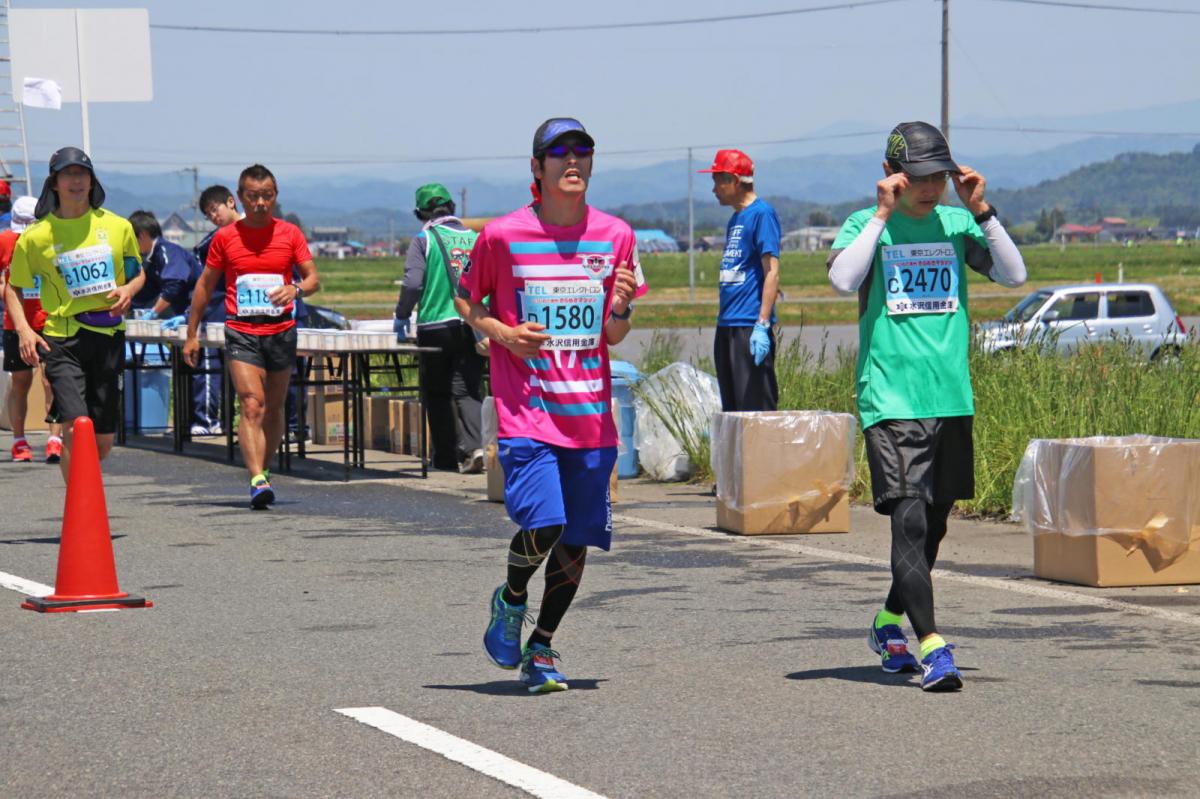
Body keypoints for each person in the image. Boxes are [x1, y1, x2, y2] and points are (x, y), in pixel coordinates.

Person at [827, 121, 1027, 691]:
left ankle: (888, 623)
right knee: (909, 521)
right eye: (919, 176)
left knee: (934, 525)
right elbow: (843, 280)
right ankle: (934, 647)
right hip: (889, 399)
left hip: (949, 396)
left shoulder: (956, 221)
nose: (930, 186)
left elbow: (1015, 274)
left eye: (939, 174)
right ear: (894, 175)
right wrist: (883, 216)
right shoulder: (866, 226)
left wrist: (982, 210)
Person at [455, 117, 647, 692]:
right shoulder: (502, 236)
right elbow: (468, 301)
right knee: (546, 521)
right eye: (558, 151)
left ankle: (541, 648)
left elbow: (612, 337)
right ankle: (511, 600)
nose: (573, 160)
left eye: (583, 150)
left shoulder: (617, 236)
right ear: (536, 168)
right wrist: (503, 335)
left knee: (576, 538)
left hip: (589, 417)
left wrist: (620, 307)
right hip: (527, 411)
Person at [182, 164, 319, 510]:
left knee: (273, 409)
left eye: (267, 196)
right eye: (253, 196)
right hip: (241, 331)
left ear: (275, 196)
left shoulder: (289, 234)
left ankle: (264, 467)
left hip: (281, 331)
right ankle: (256, 477)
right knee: (251, 404)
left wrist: (295, 289)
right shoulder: (226, 238)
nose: (260, 203)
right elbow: (205, 285)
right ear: (240, 197)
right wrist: (191, 334)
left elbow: (314, 278)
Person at [6, 147, 144, 480]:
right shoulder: (36, 236)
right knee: (76, 425)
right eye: (68, 174)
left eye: (82, 174)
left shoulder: (118, 226)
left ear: (92, 181)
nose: (76, 180)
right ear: (54, 183)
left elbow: (137, 272)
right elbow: (14, 287)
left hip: (108, 335)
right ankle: (79, 510)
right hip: (62, 337)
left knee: (103, 439)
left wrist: (128, 290)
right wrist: (24, 330)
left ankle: (86, 494)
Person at [393, 182, 485, 473]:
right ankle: (475, 448)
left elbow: (412, 283)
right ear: (452, 208)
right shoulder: (475, 238)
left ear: (420, 212)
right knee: (468, 389)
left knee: (437, 392)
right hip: (472, 323)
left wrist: (402, 313)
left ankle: (445, 457)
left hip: (435, 326)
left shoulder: (424, 239)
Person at [700, 149, 782, 411]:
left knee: (755, 410)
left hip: (748, 326)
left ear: (734, 180)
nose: (714, 189)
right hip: (727, 324)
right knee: (733, 410)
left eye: (717, 180)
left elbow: (771, 271)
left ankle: (764, 454)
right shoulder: (736, 218)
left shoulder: (762, 214)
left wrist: (762, 324)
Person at [1, 195, 63, 462]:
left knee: (52, 380)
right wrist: (6, 288)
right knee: (20, 382)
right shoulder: (5, 241)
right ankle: (18, 440)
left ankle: (54, 439)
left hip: (50, 319)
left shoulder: (51, 238)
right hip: (16, 323)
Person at [128, 210, 203, 320]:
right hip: (184, 314)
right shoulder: (152, 259)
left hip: (202, 311)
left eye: (131, 239)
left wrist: (154, 312)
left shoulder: (167, 251)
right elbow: (147, 291)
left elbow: (174, 284)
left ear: (142, 235)